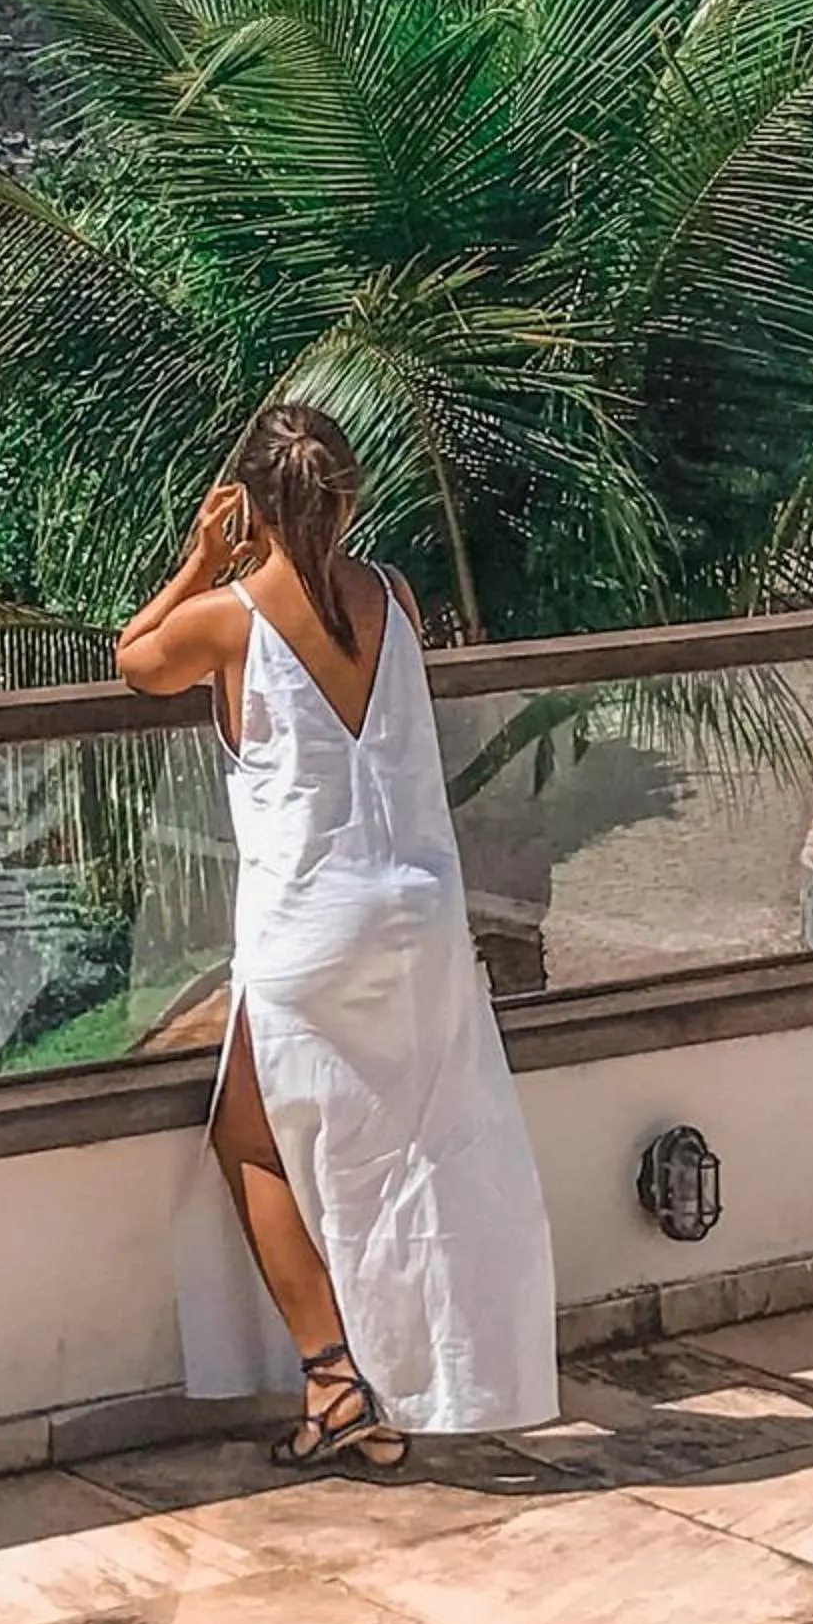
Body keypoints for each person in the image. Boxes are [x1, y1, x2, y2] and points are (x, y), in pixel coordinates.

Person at [117, 401, 558, 1469]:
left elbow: (133, 659)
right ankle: (439, 1371)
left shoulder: (228, 619)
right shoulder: (392, 597)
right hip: (420, 912)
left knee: (250, 1141)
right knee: (423, 1147)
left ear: (250, 506)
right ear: (349, 498)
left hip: (311, 925)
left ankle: (331, 1379)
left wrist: (193, 559)